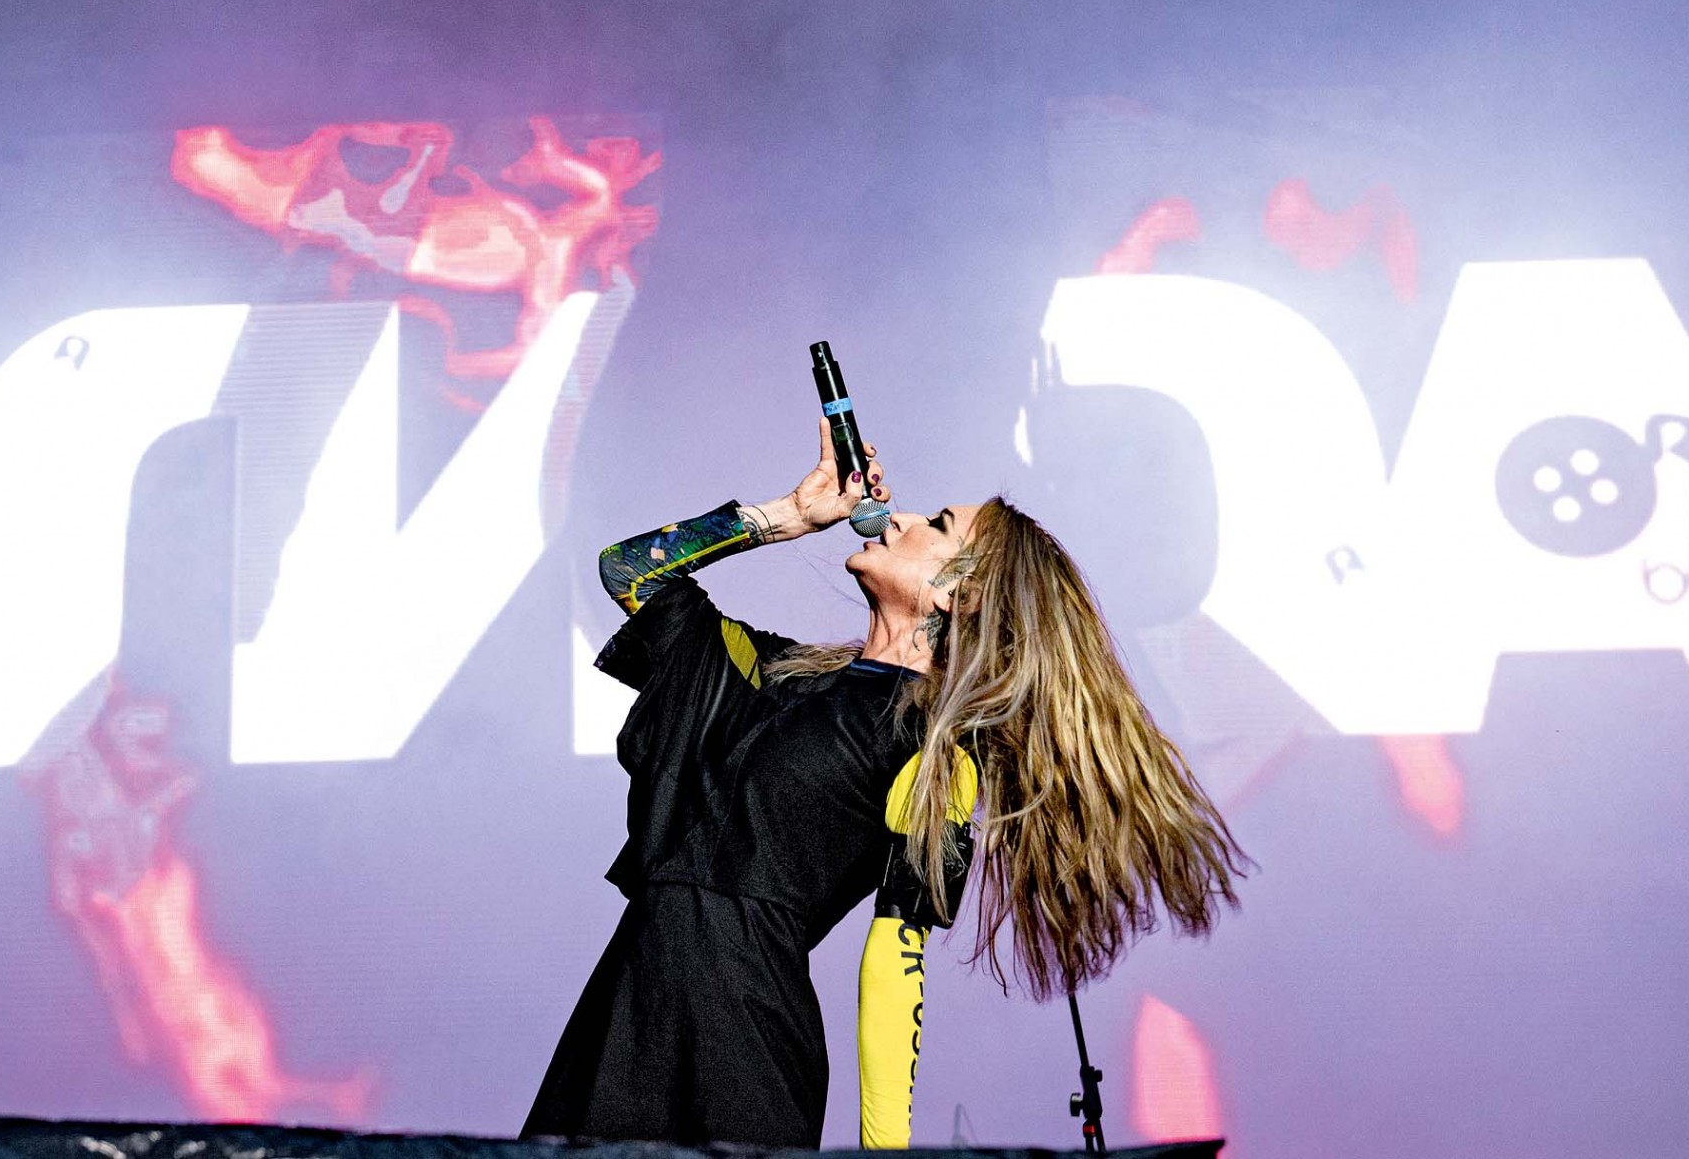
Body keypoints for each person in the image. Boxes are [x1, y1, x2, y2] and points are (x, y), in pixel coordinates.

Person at [523, 420, 1246, 1149]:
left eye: (939, 525)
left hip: (740, 1041)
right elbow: (630, 571)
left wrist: (885, 1150)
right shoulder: (774, 674)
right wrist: (788, 516)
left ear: (962, 594)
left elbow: (897, 963)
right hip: (623, 1009)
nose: (897, 518)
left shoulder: (935, 755)